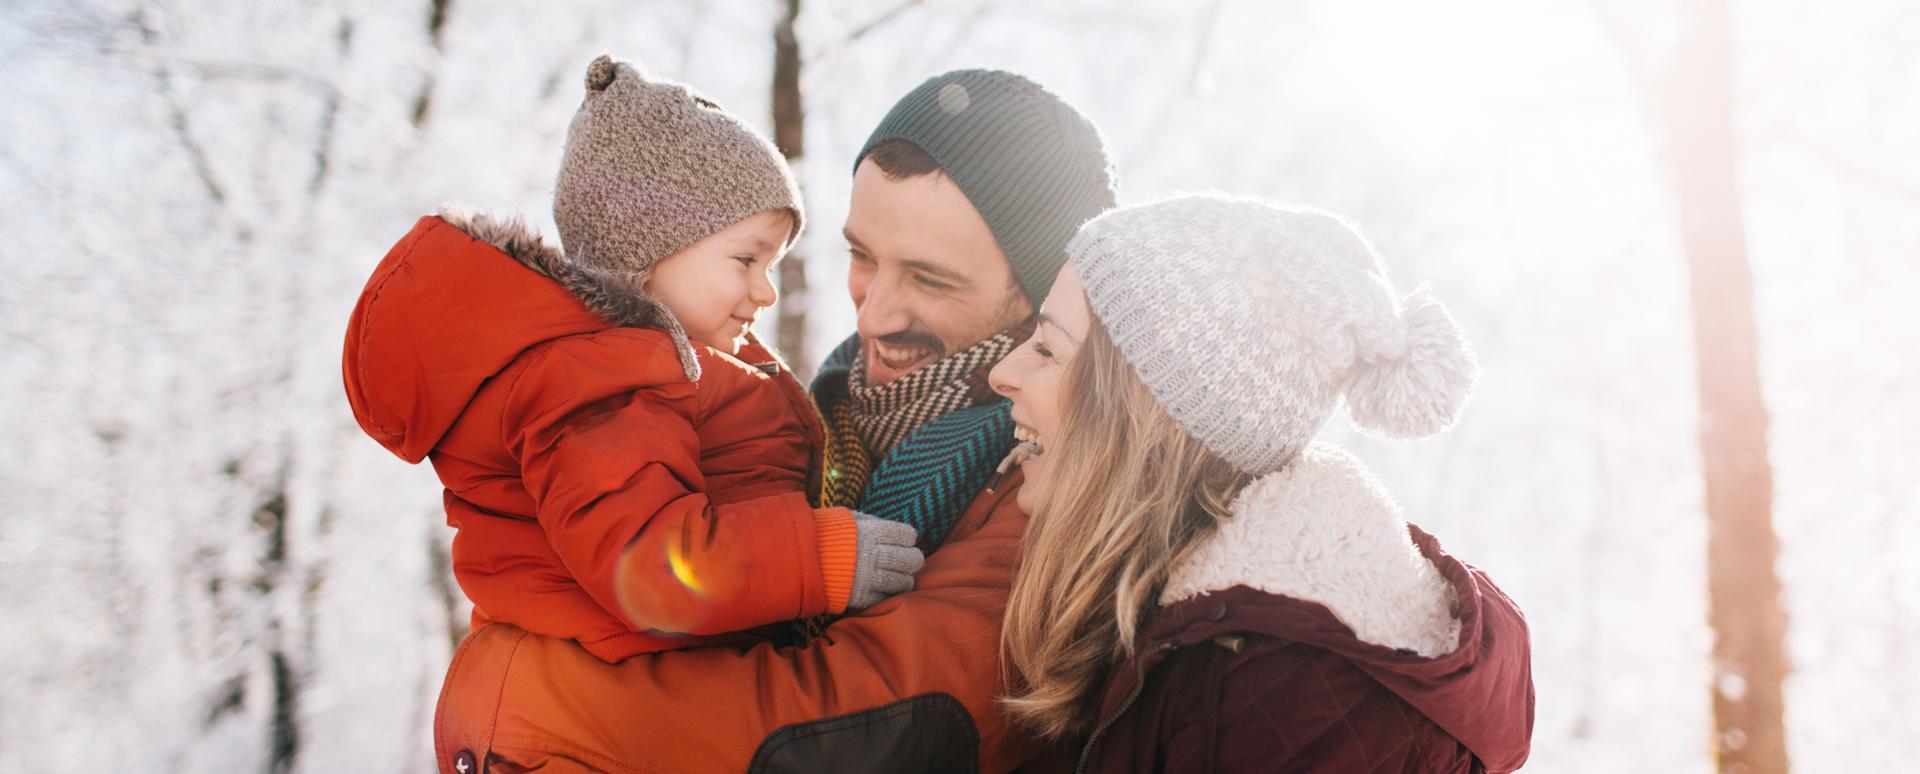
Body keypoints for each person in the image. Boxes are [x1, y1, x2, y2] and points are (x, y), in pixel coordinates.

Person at [425, 69, 1120, 772]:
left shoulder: (1051, 483)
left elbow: (868, 734)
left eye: (931, 279)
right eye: (861, 256)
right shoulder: (820, 419)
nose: (874, 313)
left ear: (1040, 299)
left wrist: (521, 693)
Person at [344, 55, 926, 666]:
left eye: (773, 267)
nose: (767, 292)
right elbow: (648, 562)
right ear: (650, 249)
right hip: (626, 690)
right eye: (746, 261)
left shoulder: (660, 365)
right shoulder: (597, 385)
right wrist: (819, 556)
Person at [989, 194, 1535, 772]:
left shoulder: (1290, 701)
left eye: (1047, 348)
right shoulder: (1176, 628)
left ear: (1144, 417)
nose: (1004, 373)